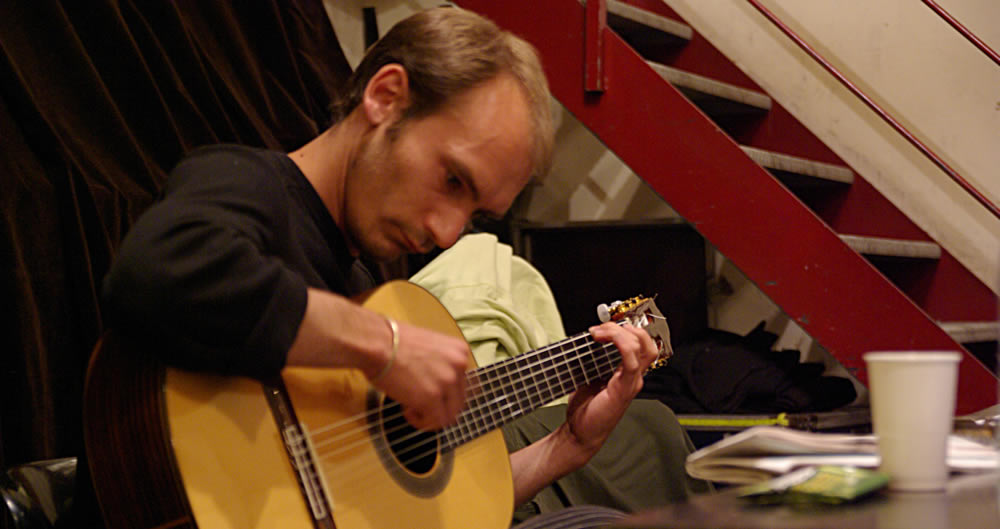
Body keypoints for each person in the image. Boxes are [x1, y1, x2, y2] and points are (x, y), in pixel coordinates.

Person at [102, 6, 660, 528]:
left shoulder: (363, 281)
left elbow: (420, 512)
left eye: (474, 212)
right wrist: (384, 345)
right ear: (385, 95)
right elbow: (159, 270)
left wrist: (568, 446)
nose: (445, 232)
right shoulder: (248, 184)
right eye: (451, 180)